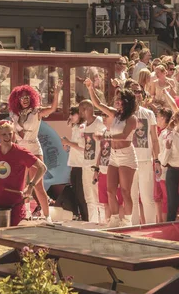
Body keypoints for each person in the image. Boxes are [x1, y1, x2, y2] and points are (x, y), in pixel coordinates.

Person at [85, 78, 138, 227]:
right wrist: (90, 88)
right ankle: (114, 219)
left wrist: (104, 136)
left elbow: (123, 135)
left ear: (127, 102)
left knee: (126, 191)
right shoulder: (115, 115)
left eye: (120, 99)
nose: (117, 101)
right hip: (114, 156)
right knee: (110, 190)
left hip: (127, 155)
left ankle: (127, 221)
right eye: (117, 98)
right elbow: (98, 104)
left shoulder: (131, 118)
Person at [8, 83, 62, 220]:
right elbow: (12, 134)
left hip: (33, 149)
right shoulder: (14, 114)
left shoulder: (36, 112)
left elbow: (53, 108)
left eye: (27, 97)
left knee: (37, 185)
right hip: (19, 150)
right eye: (21, 97)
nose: (24, 100)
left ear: (31, 98)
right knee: (21, 185)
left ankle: (47, 216)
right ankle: (25, 214)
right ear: (17, 99)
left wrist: (56, 93)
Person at [0, 120, 48, 226]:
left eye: (10, 134)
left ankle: (47, 216)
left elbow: (42, 168)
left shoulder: (21, 152)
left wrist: (31, 185)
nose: (8, 137)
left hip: (15, 204)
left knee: (14, 237)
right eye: (4, 134)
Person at [128, 80, 160, 224]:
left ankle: (151, 228)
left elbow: (154, 138)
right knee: (132, 197)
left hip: (146, 160)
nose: (137, 94)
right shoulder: (123, 114)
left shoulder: (148, 113)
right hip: (128, 161)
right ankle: (133, 228)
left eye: (139, 91)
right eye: (134, 91)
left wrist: (157, 159)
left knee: (147, 198)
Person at [60, 107, 88, 221]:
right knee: (76, 192)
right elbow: (75, 146)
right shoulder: (75, 127)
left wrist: (68, 143)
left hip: (82, 165)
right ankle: (81, 215)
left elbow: (83, 147)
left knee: (82, 194)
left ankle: (87, 217)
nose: (70, 117)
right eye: (70, 114)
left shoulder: (84, 127)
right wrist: (67, 145)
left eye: (73, 114)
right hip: (74, 164)